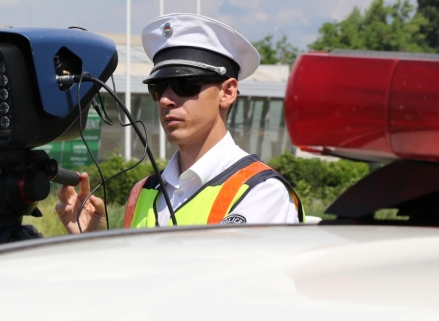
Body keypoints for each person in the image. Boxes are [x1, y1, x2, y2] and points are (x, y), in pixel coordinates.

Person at [56, 13, 303, 233]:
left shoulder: (262, 193)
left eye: (185, 84)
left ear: (227, 92)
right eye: (158, 87)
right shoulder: (142, 192)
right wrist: (92, 240)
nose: (165, 99)